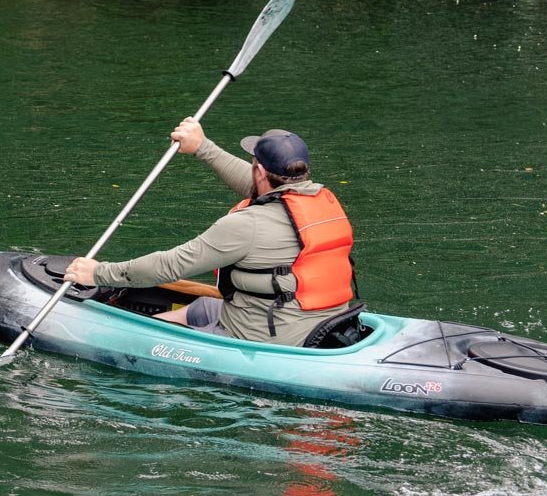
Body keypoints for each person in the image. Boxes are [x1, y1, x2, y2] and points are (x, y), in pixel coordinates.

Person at [62, 119, 358, 347]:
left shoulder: (247, 225)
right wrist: (201, 147)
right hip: (322, 323)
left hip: (264, 337)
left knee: (155, 333)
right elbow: (255, 184)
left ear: (259, 171)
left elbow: (170, 265)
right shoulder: (322, 201)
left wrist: (99, 273)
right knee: (201, 307)